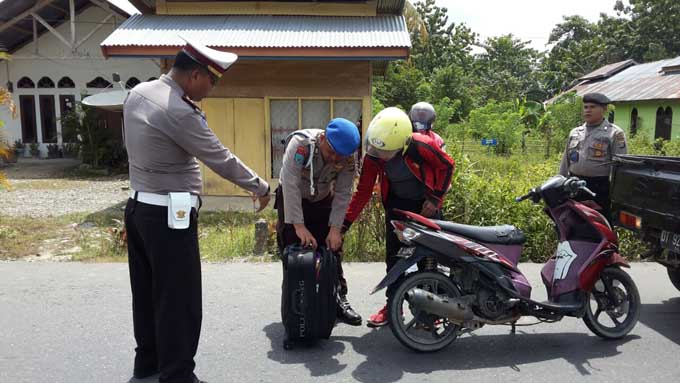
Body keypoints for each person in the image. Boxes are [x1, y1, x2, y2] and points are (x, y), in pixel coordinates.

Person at [123, 35, 270, 383]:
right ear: (194, 75)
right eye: (212, 80)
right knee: (180, 300)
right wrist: (260, 186)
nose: (213, 88)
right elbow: (219, 158)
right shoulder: (178, 110)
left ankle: (148, 364)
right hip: (169, 217)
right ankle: (177, 376)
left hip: (139, 207)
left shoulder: (138, 94)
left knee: (146, 294)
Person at [342, 107, 455, 327]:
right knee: (394, 261)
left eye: (387, 153)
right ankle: (392, 306)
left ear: (403, 145)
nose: (380, 156)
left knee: (428, 261)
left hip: (425, 206)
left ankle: (430, 314)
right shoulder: (375, 151)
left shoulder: (422, 144)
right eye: (376, 150)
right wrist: (345, 224)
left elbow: (447, 166)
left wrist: (435, 200)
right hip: (396, 207)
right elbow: (363, 192)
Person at [276, 118, 363, 326]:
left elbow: (343, 193)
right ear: (323, 137)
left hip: (322, 198)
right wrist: (298, 225)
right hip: (292, 199)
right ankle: (295, 305)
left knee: (332, 249)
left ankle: (338, 300)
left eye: (339, 156)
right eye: (331, 152)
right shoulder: (301, 145)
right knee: (293, 251)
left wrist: (335, 229)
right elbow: (290, 185)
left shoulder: (348, 156)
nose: (334, 159)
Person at [559, 92, 627, 220]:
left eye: (592, 107)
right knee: (575, 220)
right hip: (574, 183)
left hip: (599, 186)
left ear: (604, 109)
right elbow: (565, 161)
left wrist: (616, 193)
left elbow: (620, 166)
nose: (588, 110)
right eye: (585, 107)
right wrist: (561, 181)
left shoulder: (614, 133)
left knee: (600, 221)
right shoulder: (575, 132)